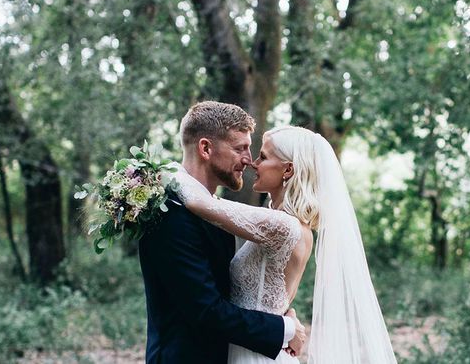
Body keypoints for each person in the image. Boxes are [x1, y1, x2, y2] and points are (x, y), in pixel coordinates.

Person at [170, 123, 398, 364]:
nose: (253, 163)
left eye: (263, 157)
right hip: (255, 344)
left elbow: (197, 202)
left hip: (255, 355)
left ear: (287, 169)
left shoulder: (282, 226)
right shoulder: (290, 225)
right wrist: (287, 323)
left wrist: (157, 172)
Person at [139, 101, 306, 364]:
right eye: (240, 148)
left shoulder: (217, 212)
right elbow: (205, 310)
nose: (249, 160)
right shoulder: (169, 211)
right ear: (206, 148)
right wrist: (284, 330)